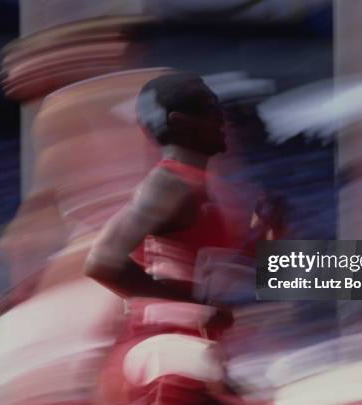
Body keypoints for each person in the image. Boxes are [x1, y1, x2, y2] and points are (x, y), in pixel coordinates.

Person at [85, 72, 255, 404]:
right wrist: (192, 310)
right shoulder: (169, 183)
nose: (222, 117)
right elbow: (102, 261)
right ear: (180, 122)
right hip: (166, 361)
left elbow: (209, 271)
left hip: (190, 357)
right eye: (210, 108)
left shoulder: (204, 189)